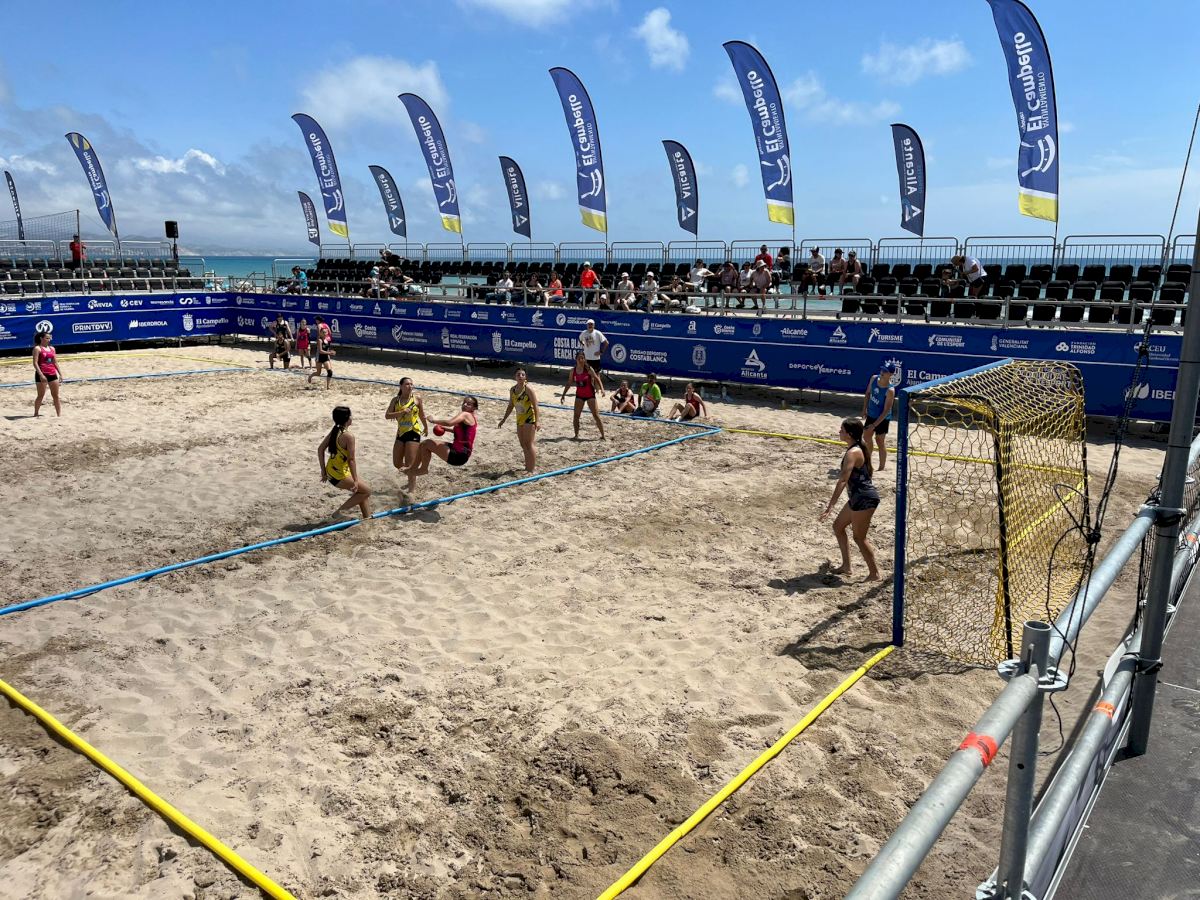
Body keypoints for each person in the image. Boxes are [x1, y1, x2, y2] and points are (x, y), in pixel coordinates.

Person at [818, 418, 881, 581]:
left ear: (850, 434)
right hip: (858, 497)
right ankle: (846, 566)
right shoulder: (857, 448)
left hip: (864, 499)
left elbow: (843, 480)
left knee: (859, 538)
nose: (839, 432)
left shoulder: (853, 452)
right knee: (838, 526)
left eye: (842, 430)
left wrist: (831, 506)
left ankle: (874, 574)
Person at [405, 396, 480, 492]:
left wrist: (433, 420)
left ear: (474, 408)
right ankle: (412, 470)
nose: (465, 404)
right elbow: (460, 432)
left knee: (426, 444)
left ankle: (423, 469)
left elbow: (449, 422)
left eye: (468, 404)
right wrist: (445, 429)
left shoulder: (465, 414)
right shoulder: (470, 418)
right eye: (464, 402)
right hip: (460, 452)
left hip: (458, 455)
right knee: (423, 445)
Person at [317, 406, 372, 520]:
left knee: (362, 492)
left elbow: (320, 449)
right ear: (347, 418)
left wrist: (323, 471)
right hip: (339, 475)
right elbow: (351, 460)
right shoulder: (348, 436)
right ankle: (338, 513)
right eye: (351, 415)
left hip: (332, 471)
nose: (352, 417)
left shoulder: (335, 430)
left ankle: (367, 518)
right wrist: (355, 480)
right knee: (367, 491)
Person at [386, 376, 428, 484]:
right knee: (397, 463)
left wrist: (426, 427)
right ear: (401, 386)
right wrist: (402, 412)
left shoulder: (417, 399)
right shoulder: (395, 400)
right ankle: (412, 473)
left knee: (410, 464)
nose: (410, 386)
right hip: (400, 432)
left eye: (411, 384)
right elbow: (387, 415)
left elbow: (421, 414)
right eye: (407, 384)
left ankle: (411, 488)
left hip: (414, 432)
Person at [498, 368, 540, 472]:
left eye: (522, 374)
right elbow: (510, 406)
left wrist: (537, 421)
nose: (520, 376)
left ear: (525, 377)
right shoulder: (512, 390)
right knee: (523, 444)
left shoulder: (528, 389)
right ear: (515, 377)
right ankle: (527, 467)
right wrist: (504, 419)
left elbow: (535, 406)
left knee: (529, 444)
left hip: (529, 418)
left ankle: (531, 469)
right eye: (518, 374)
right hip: (519, 418)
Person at [560, 350, 606, 439]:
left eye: (582, 358)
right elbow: (569, 383)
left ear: (585, 359)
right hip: (579, 396)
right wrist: (563, 395)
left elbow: (597, 379)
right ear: (576, 359)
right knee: (576, 416)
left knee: (596, 416)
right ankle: (576, 435)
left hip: (590, 395)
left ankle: (603, 436)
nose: (581, 360)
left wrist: (602, 389)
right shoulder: (573, 371)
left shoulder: (588, 369)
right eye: (579, 358)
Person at [862, 362, 897, 471]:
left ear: (891, 374)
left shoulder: (890, 390)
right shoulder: (874, 378)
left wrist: (874, 425)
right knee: (866, 437)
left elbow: (886, 411)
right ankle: (868, 462)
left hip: (882, 418)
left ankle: (881, 468)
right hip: (871, 414)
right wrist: (864, 409)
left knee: (880, 441)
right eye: (882, 370)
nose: (882, 372)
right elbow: (868, 393)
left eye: (885, 371)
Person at [32, 330, 63, 417]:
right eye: (47, 338)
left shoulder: (52, 348)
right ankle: (36, 413)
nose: (49, 340)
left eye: (50, 338)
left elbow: (55, 362)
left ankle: (59, 415)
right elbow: (35, 363)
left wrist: (60, 374)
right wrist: (41, 375)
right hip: (42, 374)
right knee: (40, 395)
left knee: (56, 395)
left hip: (52, 373)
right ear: (41, 338)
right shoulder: (37, 348)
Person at [308, 316, 334, 388]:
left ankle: (328, 386)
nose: (325, 333)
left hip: (325, 357)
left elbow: (327, 349)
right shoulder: (320, 340)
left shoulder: (327, 340)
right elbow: (321, 351)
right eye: (323, 332)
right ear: (321, 333)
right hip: (319, 357)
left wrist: (330, 352)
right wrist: (329, 353)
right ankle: (310, 376)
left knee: (330, 372)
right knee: (318, 373)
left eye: (326, 332)